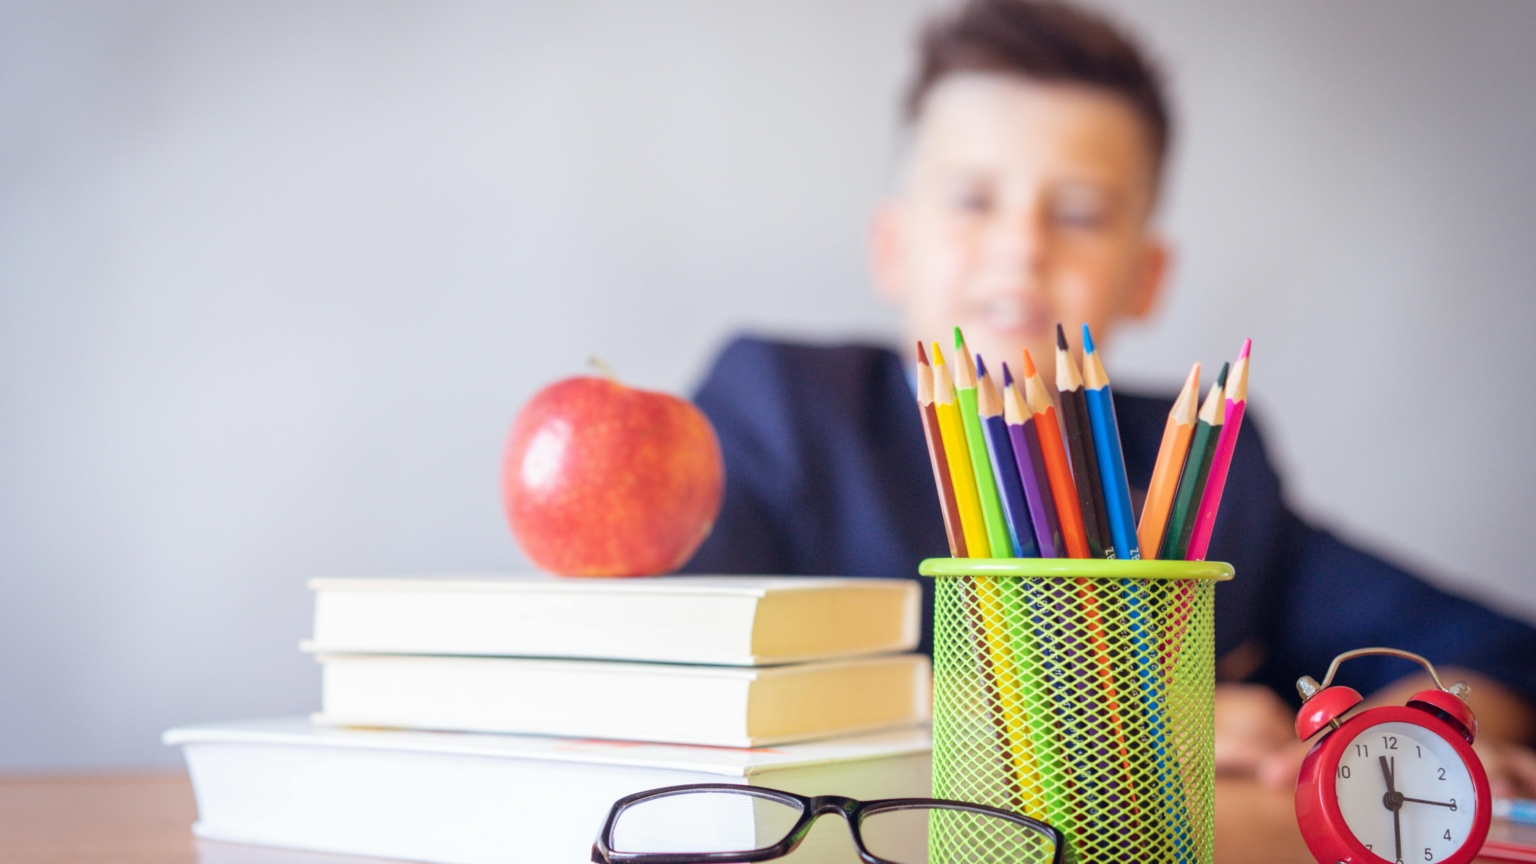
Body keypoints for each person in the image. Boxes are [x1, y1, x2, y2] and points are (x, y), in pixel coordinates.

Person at [680, 0, 1536, 796]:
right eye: (974, 199)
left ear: (1146, 277)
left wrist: (1411, 740)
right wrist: (1127, 731)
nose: (1021, 247)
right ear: (893, 247)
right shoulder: (781, 406)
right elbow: (677, 670)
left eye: (1082, 213)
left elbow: (1492, 651)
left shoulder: (1205, 463)